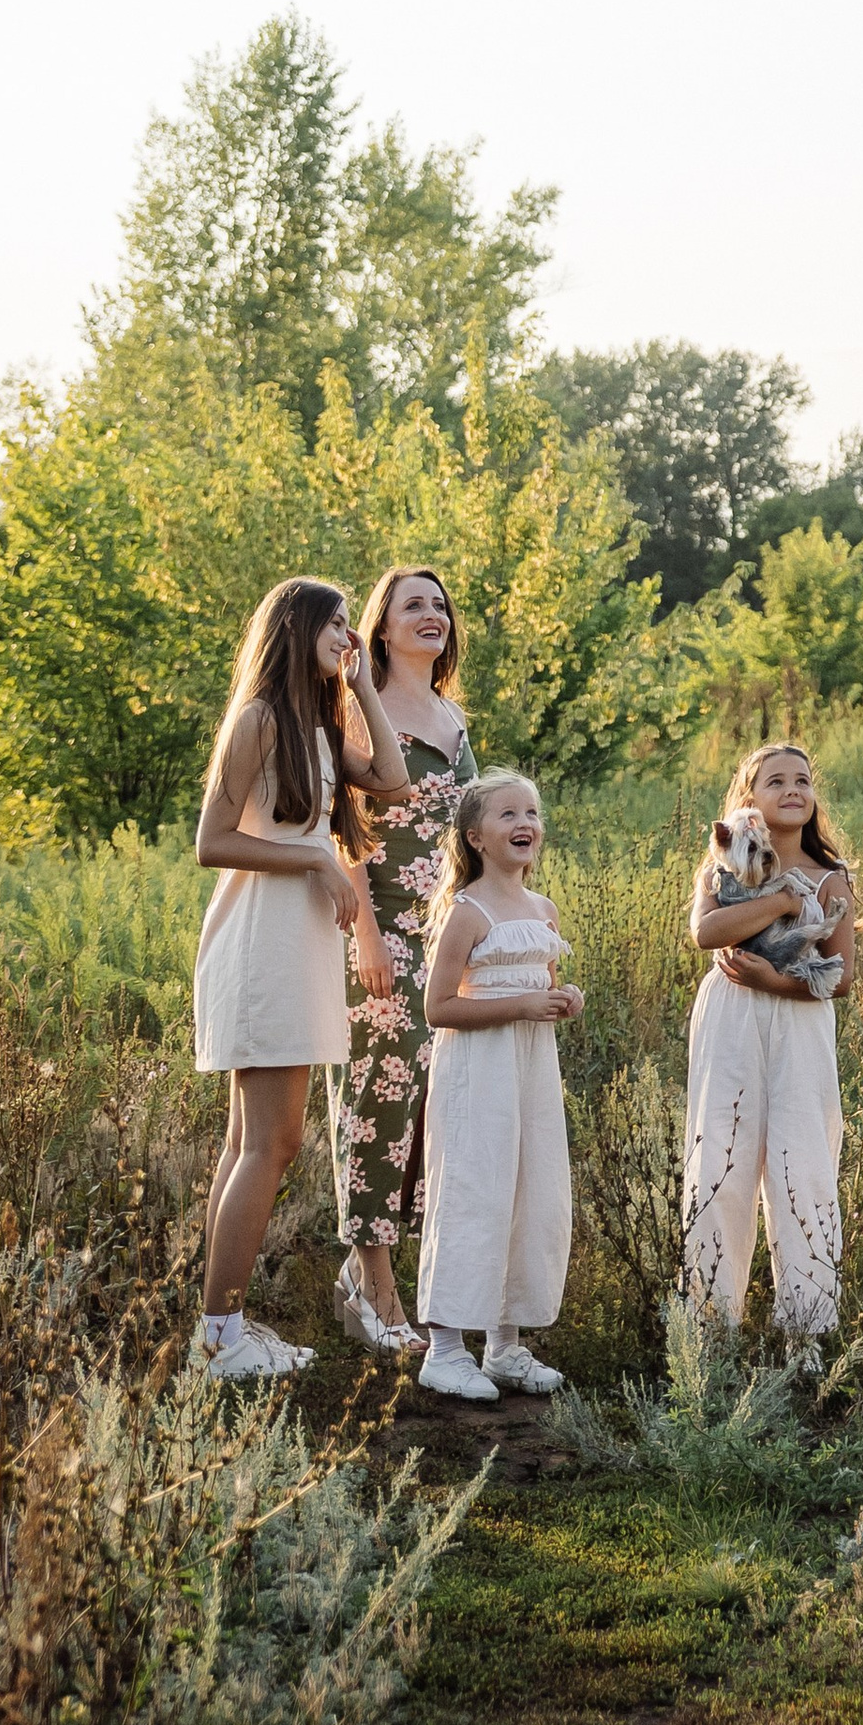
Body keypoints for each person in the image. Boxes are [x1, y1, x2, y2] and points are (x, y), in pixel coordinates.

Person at [193, 577, 410, 1379]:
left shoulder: (319, 728)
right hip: (260, 945)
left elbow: (392, 780)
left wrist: (360, 688)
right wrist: (314, 856)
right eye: (339, 622)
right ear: (297, 626)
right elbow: (211, 843)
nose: (350, 632)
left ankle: (220, 1329)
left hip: (299, 947)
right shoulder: (257, 721)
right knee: (275, 1140)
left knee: (249, 1141)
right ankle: (222, 1336)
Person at [327, 562, 477, 1360]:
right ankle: (373, 1288)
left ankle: (398, 1278)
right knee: (378, 1106)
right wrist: (364, 934)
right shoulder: (362, 707)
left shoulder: (452, 716)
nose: (431, 615)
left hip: (442, 933)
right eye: (413, 605)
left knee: (428, 1108)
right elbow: (339, 816)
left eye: (440, 605)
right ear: (380, 626)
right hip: (379, 929)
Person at [682, 741, 855, 1366]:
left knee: (801, 1159)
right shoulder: (722, 865)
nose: (792, 790)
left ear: (813, 798)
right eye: (775, 781)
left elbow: (842, 973)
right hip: (731, 1019)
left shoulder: (830, 878)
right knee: (721, 1159)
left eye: (803, 781)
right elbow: (707, 933)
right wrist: (780, 901)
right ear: (748, 798)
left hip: (799, 1019)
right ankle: (708, 1324)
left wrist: (773, 981)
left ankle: (805, 1330)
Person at [413, 769, 583, 1400]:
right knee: (473, 1193)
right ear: (476, 836)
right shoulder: (467, 912)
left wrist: (564, 999)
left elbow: (541, 986)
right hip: (477, 1072)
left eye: (532, 813)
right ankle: (445, 1349)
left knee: (527, 1191)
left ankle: (505, 1347)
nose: (524, 824)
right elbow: (438, 1009)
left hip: (530, 1072)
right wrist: (518, 1008)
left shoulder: (543, 911)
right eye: (508, 814)